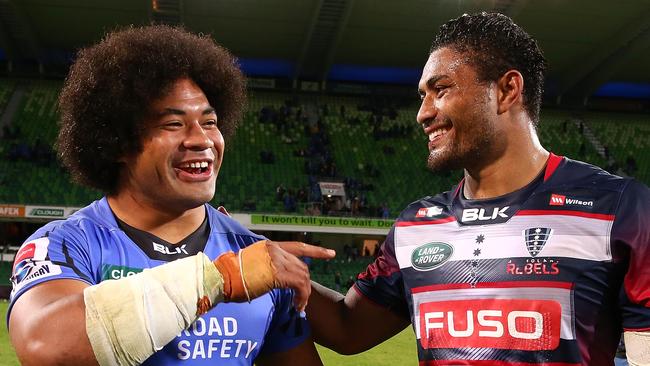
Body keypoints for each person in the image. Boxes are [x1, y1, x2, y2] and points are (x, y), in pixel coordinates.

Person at [308, 12, 650, 365]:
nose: (422, 114)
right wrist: (255, 251)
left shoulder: (618, 209)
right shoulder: (416, 226)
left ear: (507, 90)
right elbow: (346, 328)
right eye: (423, 95)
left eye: (440, 90)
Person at [7, 25, 334, 366]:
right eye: (173, 124)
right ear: (118, 142)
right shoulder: (66, 245)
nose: (201, 140)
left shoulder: (256, 257)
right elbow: (45, 346)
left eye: (209, 122)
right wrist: (219, 279)